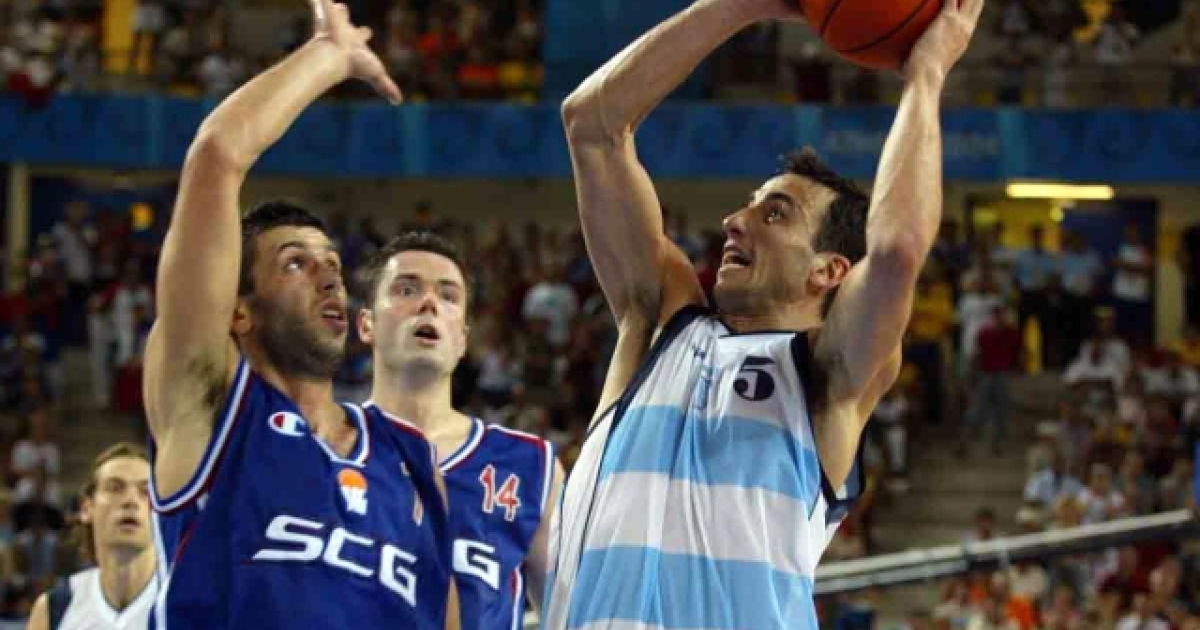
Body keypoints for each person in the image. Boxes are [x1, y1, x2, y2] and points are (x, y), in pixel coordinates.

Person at [542, 0, 984, 626]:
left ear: (828, 270)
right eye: (748, 206)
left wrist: (927, 75)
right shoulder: (657, 319)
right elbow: (591, 125)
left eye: (774, 214)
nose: (734, 221)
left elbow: (896, 250)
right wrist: (739, 7)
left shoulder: (829, 374)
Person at [141, 1, 458, 628]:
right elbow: (216, 156)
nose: (329, 277)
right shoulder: (210, 403)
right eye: (295, 264)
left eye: (332, 263)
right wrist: (328, 56)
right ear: (238, 313)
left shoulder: (411, 458)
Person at [357, 231, 564, 630]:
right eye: (406, 289)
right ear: (367, 324)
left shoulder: (531, 466)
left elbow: (566, 616)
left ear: (463, 339)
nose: (429, 303)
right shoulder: (321, 447)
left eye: (448, 296)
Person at [26, 443, 156, 630]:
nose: (131, 501)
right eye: (115, 488)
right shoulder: (55, 607)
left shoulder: (184, 603)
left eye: (146, 491)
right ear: (87, 508)